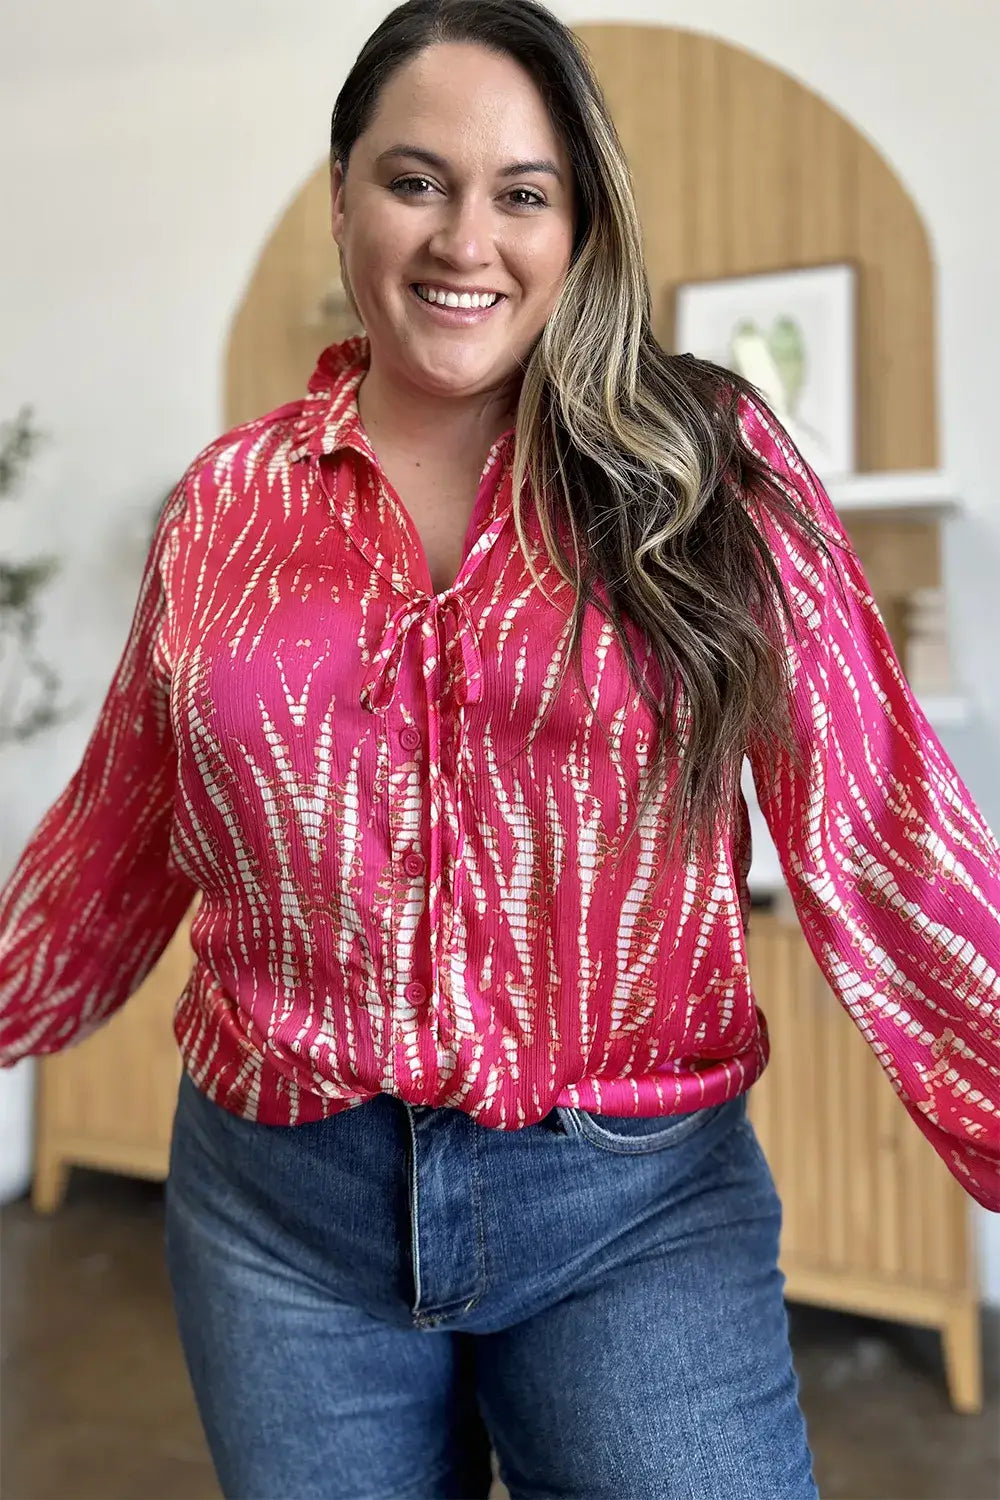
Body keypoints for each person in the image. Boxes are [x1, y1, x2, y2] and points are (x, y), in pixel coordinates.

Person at [1, 1, 998, 1495]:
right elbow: (128, 816)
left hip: (633, 1210)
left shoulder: (703, 469)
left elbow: (882, 820)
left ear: (578, 225)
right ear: (342, 193)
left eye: (522, 193)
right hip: (278, 1208)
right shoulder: (225, 502)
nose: (468, 238)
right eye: (416, 180)